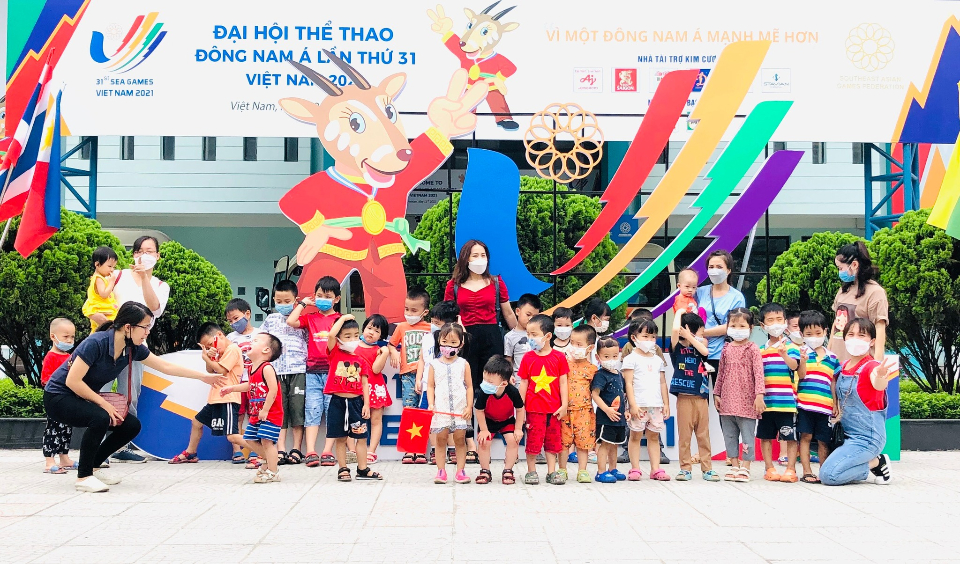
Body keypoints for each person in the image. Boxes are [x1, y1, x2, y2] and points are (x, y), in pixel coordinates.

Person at [44, 302, 221, 492]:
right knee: (100, 417)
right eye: (144, 327)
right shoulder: (96, 343)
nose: (147, 332)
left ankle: (94, 466)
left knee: (131, 425)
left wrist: (203, 377)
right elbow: (73, 381)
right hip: (58, 397)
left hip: (83, 398)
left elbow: (165, 366)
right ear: (128, 327)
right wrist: (103, 403)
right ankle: (84, 477)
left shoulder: (132, 348)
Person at [95, 236, 170, 464]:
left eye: (150, 251)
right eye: (140, 251)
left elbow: (155, 309)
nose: (144, 255)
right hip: (107, 344)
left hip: (136, 347)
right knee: (100, 392)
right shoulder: (118, 275)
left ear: (157, 256)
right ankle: (96, 448)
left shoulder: (160, 285)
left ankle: (122, 445)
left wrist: (145, 277)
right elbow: (96, 297)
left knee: (130, 395)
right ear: (134, 254)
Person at [445, 239, 518, 466]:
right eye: (474, 255)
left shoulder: (496, 282)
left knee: (492, 388)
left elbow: (507, 313)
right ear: (465, 259)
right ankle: (470, 445)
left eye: (483, 255)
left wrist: (521, 336)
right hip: (465, 341)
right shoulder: (453, 285)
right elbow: (448, 317)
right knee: (466, 390)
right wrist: (455, 330)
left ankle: (497, 439)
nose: (479, 260)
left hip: (491, 337)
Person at [820, 318, 893, 486]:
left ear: (872, 341)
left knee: (829, 475)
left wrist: (881, 377)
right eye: (851, 335)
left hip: (867, 438)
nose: (855, 339)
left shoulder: (872, 366)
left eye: (862, 335)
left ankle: (876, 462)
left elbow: (878, 384)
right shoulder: (843, 366)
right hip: (845, 434)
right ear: (844, 338)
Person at [169, 323, 250, 464]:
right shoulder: (220, 352)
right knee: (196, 422)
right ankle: (190, 452)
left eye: (211, 344)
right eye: (207, 347)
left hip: (228, 398)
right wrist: (210, 357)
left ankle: (262, 452)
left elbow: (222, 370)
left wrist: (206, 358)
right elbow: (210, 370)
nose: (211, 348)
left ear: (219, 335)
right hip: (216, 398)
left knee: (232, 435)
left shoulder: (232, 349)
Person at [287, 276, 341, 468]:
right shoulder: (310, 318)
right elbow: (291, 321)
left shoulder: (340, 320)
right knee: (312, 410)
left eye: (328, 296)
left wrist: (346, 318)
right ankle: (310, 451)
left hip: (333, 373)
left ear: (337, 299)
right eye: (319, 295)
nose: (322, 299)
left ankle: (327, 451)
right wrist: (303, 304)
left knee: (332, 411)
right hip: (312, 372)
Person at [220, 332, 285, 483]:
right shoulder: (251, 368)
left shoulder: (266, 368)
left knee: (267, 441)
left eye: (256, 341)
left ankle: (273, 471)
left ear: (266, 350)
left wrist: (266, 409)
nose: (251, 342)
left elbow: (273, 389)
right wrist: (232, 388)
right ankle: (269, 460)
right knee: (249, 439)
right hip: (257, 413)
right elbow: (250, 385)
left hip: (270, 414)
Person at [324, 314, 383, 481]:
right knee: (341, 438)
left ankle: (362, 469)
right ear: (339, 339)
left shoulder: (360, 360)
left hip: (356, 403)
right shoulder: (334, 353)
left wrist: (366, 404)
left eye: (356, 336)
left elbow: (365, 383)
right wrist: (342, 319)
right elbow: (330, 335)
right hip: (338, 402)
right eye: (347, 336)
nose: (352, 340)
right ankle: (343, 468)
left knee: (361, 437)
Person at [713, 309, 765, 482]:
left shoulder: (753, 349)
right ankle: (734, 465)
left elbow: (759, 373)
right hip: (727, 400)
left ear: (751, 328)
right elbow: (721, 372)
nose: (737, 329)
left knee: (747, 435)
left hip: (747, 401)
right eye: (733, 325)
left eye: (742, 326)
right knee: (729, 435)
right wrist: (717, 393)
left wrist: (759, 395)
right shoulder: (726, 349)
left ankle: (746, 466)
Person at [517, 314, 569, 485]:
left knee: (553, 442)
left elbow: (563, 382)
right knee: (533, 442)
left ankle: (551, 471)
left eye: (534, 334)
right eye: (528, 334)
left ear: (547, 336)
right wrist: (520, 407)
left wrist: (564, 405)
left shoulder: (559, 357)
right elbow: (523, 383)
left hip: (554, 410)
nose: (530, 338)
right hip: (533, 410)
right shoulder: (527, 358)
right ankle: (531, 471)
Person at [260, 280, 308, 466]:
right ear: (273, 299)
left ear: (296, 299)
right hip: (276, 371)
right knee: (280, 411)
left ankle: (296, 449)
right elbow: (261, 341)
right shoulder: (270, 320)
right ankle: (280, 449)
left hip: (298, 370)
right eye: (279, 301)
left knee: (297, 410)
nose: (283, 304)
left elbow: (309, 341)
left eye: (287, 301)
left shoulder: (302, 319)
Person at [756, 303, 804, 483]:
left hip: (787, 403)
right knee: (765, 437)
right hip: (767, 403)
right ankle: (769, 468)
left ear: (785, 322)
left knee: (790, 437)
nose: (775, 323)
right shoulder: (760, 350)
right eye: (770, 320)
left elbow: (795, 366)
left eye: (779, 319)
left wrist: (784, 354)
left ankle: (791, 469)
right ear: (763, 325)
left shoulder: (792, 347)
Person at [623, 319, 672, 481]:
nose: (650, 340)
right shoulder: (630, 359)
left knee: (654, 437)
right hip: (639, 405)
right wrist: (632, 405)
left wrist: (666, 403)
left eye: (653, 337)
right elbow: (628, 383)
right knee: (635, 436)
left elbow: (663, 382)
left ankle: (655, 469)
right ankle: (635, 468)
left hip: (655, 405)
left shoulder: (658, 360)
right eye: (645, 336)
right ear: (634, 337)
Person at [797, 310, 841, 484]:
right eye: (809, 334)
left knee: (824, 440)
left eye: (818, 333)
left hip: (825, 406)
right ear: (802, 334)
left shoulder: (832, 358)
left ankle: (824, 472)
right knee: (805, 437)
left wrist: (835, 403)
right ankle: (807, 472)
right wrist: (802, 360)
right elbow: (800, 375)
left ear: (825, 332)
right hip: (805, 405)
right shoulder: (800, 353)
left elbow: (833, 382)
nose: (814, 337)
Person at [427, 323, 473, 484]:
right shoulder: (434, 364)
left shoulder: (463, 364)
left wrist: (469, 406)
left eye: (453, 342)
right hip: (441, 409)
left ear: (461, 343)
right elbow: (430, 386)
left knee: (460, 439)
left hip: (460, 409)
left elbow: (469, 386)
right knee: (440, 439)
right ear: (439, 340)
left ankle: (460, 471)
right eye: (445, 342)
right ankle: (441, 471)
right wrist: (431, 404)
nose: (448, 346)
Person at [670, 313, 715, 480]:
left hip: (701, 398)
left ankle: (707, 468)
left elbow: (705, 350)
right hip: (684, 398)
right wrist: (679, 312)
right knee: (685, 436)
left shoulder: (700, 347)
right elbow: (675, 330)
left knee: (703, 435)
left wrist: (691, 337)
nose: (703, 337)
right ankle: (685, 469)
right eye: (701, 332)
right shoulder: (677, 348)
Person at [416, 300, 460, 465]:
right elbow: (422, 360)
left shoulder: (454, 341)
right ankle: (435, 450)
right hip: (428, 386)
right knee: (430, 419)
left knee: (449, 419)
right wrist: (418, 379)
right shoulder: (427, 338)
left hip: (448, 387)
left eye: (438, 323)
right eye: (433, 321)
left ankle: (452, 450)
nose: (434, 325)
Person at [831, 241, 889, 363]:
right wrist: (829, 353)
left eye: (841, 268)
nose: (839, 272)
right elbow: (835, 325)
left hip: (863, 363)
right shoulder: (843, 290)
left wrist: (877, 361)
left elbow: (879, 328)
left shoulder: (875, 292)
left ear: (854, 264)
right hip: (837, 361)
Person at [475, 355, 525, 485]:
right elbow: (479, 410)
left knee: (513, 440)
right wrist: (484, 430)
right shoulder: (484, 392)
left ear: (504, 383)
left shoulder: (512, 391)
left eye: (490, 382)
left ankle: (508, 470)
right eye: (485, 379)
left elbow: (520, 409)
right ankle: (485, 470)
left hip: (507, 420)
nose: (486, 384)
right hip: (488, 421)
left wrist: (518, 429)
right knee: (484, 442)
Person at [558, 325, 598, 484]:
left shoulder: (593, 369)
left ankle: (582, 471)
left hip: (584, 411)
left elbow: (595, 392)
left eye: (579, 344)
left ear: (590, 348)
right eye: (572, 343)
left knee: (583, 442)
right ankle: (562, 469)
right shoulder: (563, 364)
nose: (574, 347)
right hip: (565, 410)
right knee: (563, 442)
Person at [696, 250, 746, 373]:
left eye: (719, 267)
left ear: (728, 270)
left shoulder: (736, 297)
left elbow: (733, 325)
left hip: (723, 354)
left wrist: (702, 333)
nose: (714, 270)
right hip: (698, 351)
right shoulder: (699, 292)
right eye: (711, 267)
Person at [225, 298, 261, 467]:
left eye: (236, 318)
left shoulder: (260, 334)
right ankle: (236, 450)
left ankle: (256, 450)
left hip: (255, 383)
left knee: (255, 417)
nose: (233, 323)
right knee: (237, 417)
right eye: (230, 321)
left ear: (247, 314)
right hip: (237, 384)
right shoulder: (229, 338)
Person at [353, 314, 392, 463]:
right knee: (354, 419)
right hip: (355, 387)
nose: (371, 332)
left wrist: (386, 352)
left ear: (381, 335)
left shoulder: (379, 350)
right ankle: (353, 450)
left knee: (376, 420)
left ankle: (371, 451)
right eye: (369, 328)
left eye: (377, 331)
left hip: (375, 387)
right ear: (363, 328)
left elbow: (376, 369)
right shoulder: (353, 345)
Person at [41, 318, 77, 474]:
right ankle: (49, 461)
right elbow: (45, 380)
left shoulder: (69, 357)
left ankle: (64, 457)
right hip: (56, 400)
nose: (69, 340)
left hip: (68, 399)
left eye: (72, 337)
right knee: (53, 429)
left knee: (66, 429)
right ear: (53, 336)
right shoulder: (51, 357)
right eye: (65, 336)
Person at [592, 337, 627, 484]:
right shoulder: (600, 375)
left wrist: (626, 411)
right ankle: (601, 471)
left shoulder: (619, 374)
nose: (611, 359)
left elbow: (623, 394)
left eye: (614, 356)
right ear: (598, 357)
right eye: (606, 356)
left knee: (614, 444)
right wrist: (606, 410)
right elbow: (595, 394)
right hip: (606, 418)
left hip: (619, 417)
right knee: (604, 444)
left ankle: (613, 469)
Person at [391, 288, 432, 412]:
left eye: (414, 311)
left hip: (427, 375)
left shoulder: (431, 328)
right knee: (409, 409)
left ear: (425, 312)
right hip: (408, 374)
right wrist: (393, 352)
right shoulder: (401, 327)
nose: (409, 313)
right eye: (406, 309)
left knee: (427, 409)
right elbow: (391, 344)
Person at [503, 293, 541, 382]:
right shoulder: (509, 337)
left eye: (535, 317)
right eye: (528, 314)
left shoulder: (540, 334)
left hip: (539, 380)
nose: (530, 319)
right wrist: (509, 376)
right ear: (517, 311)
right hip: (518, 381)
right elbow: (508, 360)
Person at [81, 246, 119, 331]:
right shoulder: (99, 279)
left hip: (101, 310)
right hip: (102, 310)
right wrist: (111, 282)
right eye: (109, 266)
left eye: (114, 267)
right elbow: (104, 294)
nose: (112, 270)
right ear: (97, 264)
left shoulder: (98, 278)